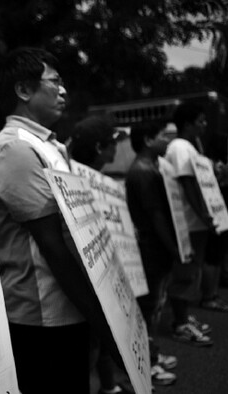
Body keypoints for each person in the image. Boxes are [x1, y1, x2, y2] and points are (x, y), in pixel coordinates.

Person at [0, 47, 118, 393]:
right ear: (24, 91)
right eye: (54, 82)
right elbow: (53, 246)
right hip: (40, 316)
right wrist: (104, 322)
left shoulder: (50, 147)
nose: (64, 91)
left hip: (68, 307)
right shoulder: (14, 148)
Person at [69, 115, 135, 394]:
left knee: (99, 341)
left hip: (105, 279)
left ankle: (109, 387)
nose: (116, 150)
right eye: (112, 144)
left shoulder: (99, 182)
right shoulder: (72, 182)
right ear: (98, 148)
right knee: (89, 347)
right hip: (88, 284)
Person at [125, 121, 186, 385]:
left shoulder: (150, 168)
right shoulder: (143, 172)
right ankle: (146, 366)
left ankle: (153, 355)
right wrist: (175, 247)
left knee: (155, 304)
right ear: (149, 140)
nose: (168, 142)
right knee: (148, 309)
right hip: (152, 250)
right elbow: (156, 215)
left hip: (154, 249)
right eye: (163, 136)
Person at [164, 102, 216, 345]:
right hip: (189, 221)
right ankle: (180, 323)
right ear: (187, 124)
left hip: (195, 221)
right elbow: (188, 184)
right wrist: (204, 213)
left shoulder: (189, 146)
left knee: (191, 271)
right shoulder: (181, 147)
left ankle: (183, 315)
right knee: (185, 272)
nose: (204, 125)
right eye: (200, 121)